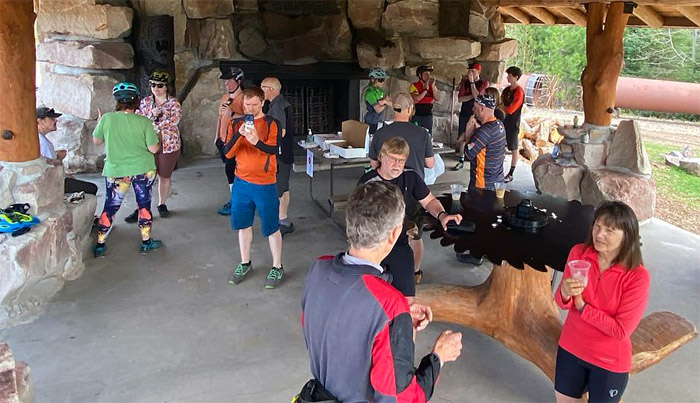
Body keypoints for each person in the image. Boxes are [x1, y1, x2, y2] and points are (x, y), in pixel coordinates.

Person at [300, 180, 463, 402]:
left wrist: (397, 324)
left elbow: (329, 327)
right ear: (394, 234)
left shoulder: (318, 269)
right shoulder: (389, 305)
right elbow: (400, 398)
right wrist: (438, 356)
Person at [554, 201, 650, 403]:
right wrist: (564, 292)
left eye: (610, 230)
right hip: (571, 347)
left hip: (608, 360)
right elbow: (563, 303)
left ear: (627, 236)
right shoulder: (579, 253)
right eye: (597, 226)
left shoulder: (637, 276)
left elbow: (620, 330)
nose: (599, 234)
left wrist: (583, 308)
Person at [360, 137, 461, 299]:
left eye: (401, 160)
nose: (397, 164)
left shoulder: (410, 176)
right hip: (373, 246)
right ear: (382, 157)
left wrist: (442, 215)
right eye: (392, 159)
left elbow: (429, 201)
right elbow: (359, 222)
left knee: (407, 297)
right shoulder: (369, 183)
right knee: (371, 297)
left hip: (398, 244)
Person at [369, 94, 436, 285]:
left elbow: (374, 163)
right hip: (415, 192)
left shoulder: (382, 132)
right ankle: (414, 272)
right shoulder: (422, 133)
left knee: (384, 232)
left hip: (385, 191)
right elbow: (430, 164)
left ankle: (382, 270)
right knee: (415, 234)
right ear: (410, 108)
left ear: (394, 108)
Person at [92, 82, 163, 258]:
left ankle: (100, 244)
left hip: (116, 170)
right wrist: (159, 138)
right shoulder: (144, 122)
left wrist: (100, 122)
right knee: (144, 206)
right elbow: (154, 149)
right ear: (137, 100)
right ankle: (146, 242)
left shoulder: (107, 119)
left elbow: (97, 141)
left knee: (110, 206)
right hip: (143, 169)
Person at [223, 87, 284, 289]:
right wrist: (239, 136)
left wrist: (256, 141)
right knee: (243, 225)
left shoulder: (271, 123)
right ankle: (245, 262)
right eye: (247, 105)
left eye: (254, 105)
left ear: (262, 102)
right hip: (242, 182)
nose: (250, 108)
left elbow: (274, 149)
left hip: (265, 183)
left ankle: (277, 266)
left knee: (272, 227)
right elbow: (227, 154)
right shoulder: (236, 123)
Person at [122, 70, 182, 221]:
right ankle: (140, 208)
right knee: (143, 177)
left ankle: (162, 204)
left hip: (169, 144)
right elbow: (139, 119)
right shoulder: (146, 102)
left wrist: (154, 122)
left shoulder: (173, 102)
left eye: (160, 85)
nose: (156, 88)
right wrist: (152, 116)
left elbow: (174, 120)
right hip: (147, 143)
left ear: (167, 87)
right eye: (153, 84)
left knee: (164, 176)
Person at [36, 106, 98, 195]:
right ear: (40, 121)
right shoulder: (44, 143)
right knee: (91, 188)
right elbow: (52, 168)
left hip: (44, 181)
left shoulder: (38, 139)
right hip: (49, 183)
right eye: (51, 118)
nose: (55, 121)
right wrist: (59, 159)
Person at [261, 77, 295, 236]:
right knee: (284, 187)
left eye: (263, 87)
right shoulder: (279, 104)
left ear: (271, 89)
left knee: (278, 190)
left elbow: (280, 132)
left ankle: (279, 223)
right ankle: (284, 221)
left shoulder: (277, 107)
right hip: (286, 152)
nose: (261, 90)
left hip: (279, 154)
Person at [216, 66, 245, 215]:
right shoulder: (224, 97)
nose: (227, 84)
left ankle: (237, 201)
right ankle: (237, 199)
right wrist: (216, 138)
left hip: (235, 141)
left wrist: (233, 114)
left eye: (230, 81)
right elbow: (220, 118)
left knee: (232, 171)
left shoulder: (245, 98)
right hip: (223, 139)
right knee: (230, 171)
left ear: (239, 81)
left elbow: (250, 118)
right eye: (225, 81)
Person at [453, 63, 489, 171]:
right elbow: (460, 99)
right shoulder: (465, 82)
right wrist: (471, 96)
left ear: (478, 72)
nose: (470, 73)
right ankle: (461, 159)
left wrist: (472, 83)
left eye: (473, 71)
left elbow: (478, 97)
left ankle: (474, 159)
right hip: (465, 112)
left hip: (477, 115)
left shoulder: (484, 83)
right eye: (470, 71)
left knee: (475, 138)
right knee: (462, 137)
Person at [501, 66, 525, 183]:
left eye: (510, 76)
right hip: (503, 121)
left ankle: (511, 172)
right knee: (500, 145)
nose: (508, 77)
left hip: (513, 123)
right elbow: (500, 104)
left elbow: (511, 109)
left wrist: (503, 108)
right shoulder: (506, 91)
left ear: (516, 77)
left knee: (514, 148)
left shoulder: (519, 92)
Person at [410, 65, 440, 135]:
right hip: (417, 115)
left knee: (427, 136)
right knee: (415, 135)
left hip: (428, 116)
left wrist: (432, 88)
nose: (428, 77)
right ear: (420, 75)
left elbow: (437, 98)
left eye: (429, 74)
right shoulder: (414, 85)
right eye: (426, 74)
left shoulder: (432, 86)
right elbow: (416, 98)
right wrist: (425, 90)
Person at [363, 68, 392, 134]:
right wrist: (385, 102)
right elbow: (378, 109)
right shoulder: (369, 93)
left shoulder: (381, 91)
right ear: (373, 80)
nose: (383, 82)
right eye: (380, 80)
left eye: (383, 80)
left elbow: (392, 104)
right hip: (371, 122)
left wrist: (385, 102)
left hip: (379, 121)